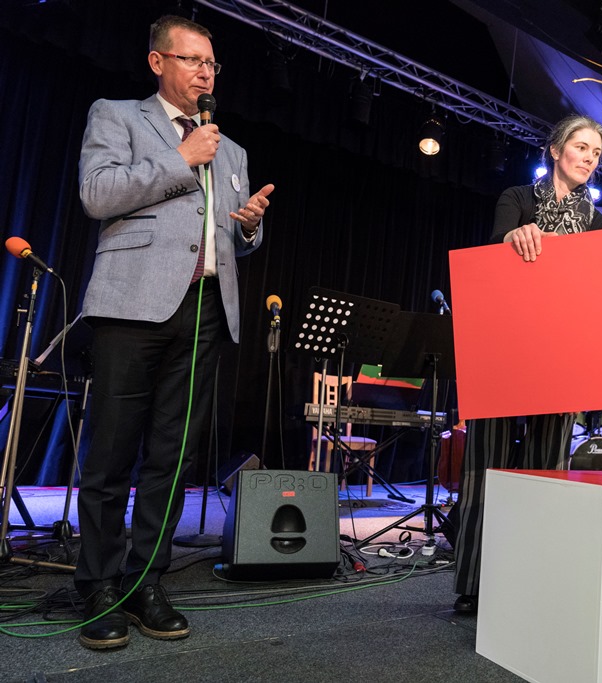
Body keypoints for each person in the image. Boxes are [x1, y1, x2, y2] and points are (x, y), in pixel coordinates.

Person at [75, 15, 273, 650]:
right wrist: (180, 158)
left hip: (206, 310)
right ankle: (98, 585)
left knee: (173, 455)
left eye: (211, 63)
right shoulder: (117, 116)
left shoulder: (231, 149)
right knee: (111, 452)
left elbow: (233, 239)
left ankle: (145, 582)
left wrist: (249, 226)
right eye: (192, 60)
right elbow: (97, 194)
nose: (205, 73)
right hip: (131, 306)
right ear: (158, 62)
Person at [451, 114, 602, 614]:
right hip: (504, 348)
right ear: (556, 149)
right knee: (485, 468)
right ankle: (473, 584)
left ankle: (534, 579)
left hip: (561, 357)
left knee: (549, 471)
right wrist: (513, 238)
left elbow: (600, 288)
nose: (588, 158)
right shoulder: (518, 198)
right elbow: (495, 248)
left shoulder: (599, 223)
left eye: (596, 153)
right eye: (581, 147)